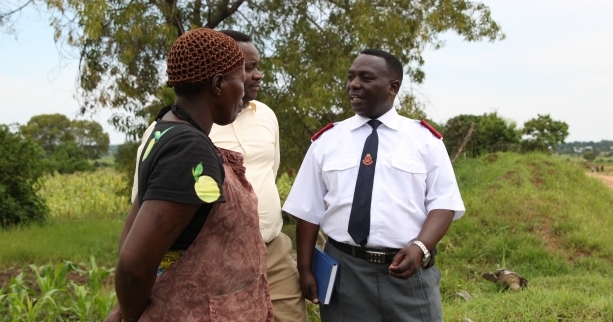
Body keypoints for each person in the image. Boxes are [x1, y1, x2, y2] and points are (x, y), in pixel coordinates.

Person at [131, 30, 308, 322]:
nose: (255, 77)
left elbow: (267, 173)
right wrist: (134, 312)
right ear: (217, 83)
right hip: (208, 268)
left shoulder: (264, 116)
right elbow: (138, 249)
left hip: (269, 249)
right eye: (243, 72)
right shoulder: (187, 144)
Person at [282, 49, 465, 322]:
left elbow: (444, 203)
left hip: (407, 269)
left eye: (365, 78)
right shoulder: (327, 141)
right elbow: (308, 211)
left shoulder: (424, 140)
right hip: (346, 272)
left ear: (393, 87)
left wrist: (420, 248)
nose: (353, 84)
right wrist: (305, 267)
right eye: (351, 77)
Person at [106, 28, 273, 322]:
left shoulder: (164, 131)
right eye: (239, 78)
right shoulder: (190, 150)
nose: (245, 88)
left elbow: (134, 226)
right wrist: (130, 315)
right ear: (219, 84)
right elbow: (134, 264)